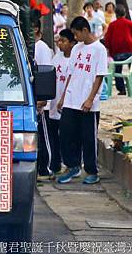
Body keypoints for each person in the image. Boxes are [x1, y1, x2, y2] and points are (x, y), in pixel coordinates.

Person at [56, 17, 107, 185]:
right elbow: (71, 73)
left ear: (85, 30)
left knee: (88, 138)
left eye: (76, 33)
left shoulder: (99, 49)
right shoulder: (77, 48)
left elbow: (99, 76)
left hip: (87, 101)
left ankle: (92, 171)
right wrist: (63, 97)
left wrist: (91, 98)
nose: (75, 37)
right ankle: (72, 166)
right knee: (66, 134)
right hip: (72, 98)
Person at [48, 29, 77, 175]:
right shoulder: (56, 58)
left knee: (68, 136)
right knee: (54, 136)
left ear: (72, 43)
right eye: (59, 40)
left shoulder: (75, 59)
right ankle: (55, 165)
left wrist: (64, 99)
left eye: (63, 41)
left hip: (68, 104)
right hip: (54, 102)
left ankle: (71, 164)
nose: (60, 43)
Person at [104, 5, 132, 95]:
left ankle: (121, 89)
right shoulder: (130, 23)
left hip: (116, 52)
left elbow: (107, 40)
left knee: (117, 70)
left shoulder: (112, 25)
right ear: (125, 14)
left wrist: (109, 52)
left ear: (116, 14)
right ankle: (130, 85)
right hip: (129, 51)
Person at [33, 18, 55, 179]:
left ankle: (45, 168)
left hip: (40, 99)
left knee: (43, 135)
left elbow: (45, 72)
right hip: (30, 97)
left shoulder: (42, 48)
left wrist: (42, 98)